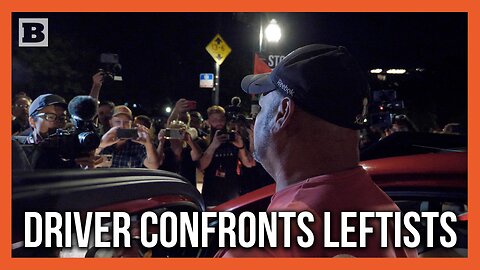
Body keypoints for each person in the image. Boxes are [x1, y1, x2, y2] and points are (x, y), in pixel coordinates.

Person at [217, 44, 417, 257]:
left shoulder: (265, 246)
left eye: (261, 107)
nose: (253, 119)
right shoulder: (390, 219)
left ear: (282, 114)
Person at [13, 94, 100, 169]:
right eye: (50, 117)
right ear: (32, 121)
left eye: (62, 118)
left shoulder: (71, 150)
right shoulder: (16, 148)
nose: (57, 122)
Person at [198, 105, 255, 207]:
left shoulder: (233, 138)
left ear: (225, 119)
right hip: (211, 193)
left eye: (221, 119)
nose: (218, 122)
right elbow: (201, 166)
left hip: (232, 192)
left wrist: (241, 146)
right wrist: (213, 146)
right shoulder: (204, 141)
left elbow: (248, 163)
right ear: (209, 121)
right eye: (214, 120)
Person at [156, 120, 203, 186]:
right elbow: (156, 161)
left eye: (179, 133)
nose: (175, 136)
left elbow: (198, 155)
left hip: (187, 189)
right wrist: (161, 142)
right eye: (172, 132)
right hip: (168, 188)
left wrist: (189, 140)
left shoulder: (188, 152)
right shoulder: (165, 152)